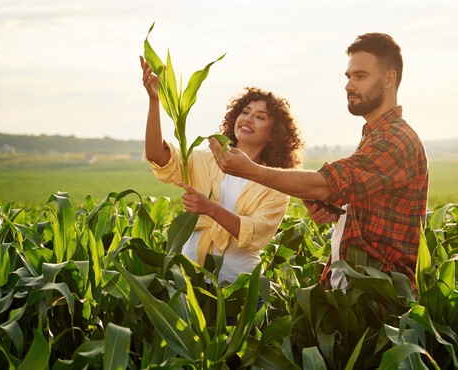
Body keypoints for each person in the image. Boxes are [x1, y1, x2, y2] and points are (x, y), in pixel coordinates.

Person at [209, 33, 429, 290]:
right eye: (348, 77)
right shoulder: (374, 136)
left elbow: (328, 183)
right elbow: (371, 212)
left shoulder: (395, 140)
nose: (349, 85)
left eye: (360, 76)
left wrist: (250, 170)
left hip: (379, 302)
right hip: (353, 296)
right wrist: (335, 212)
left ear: (389, 78)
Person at [139, 56, 304, 286]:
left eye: (260, 117)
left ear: (273, 134)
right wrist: (155, 100)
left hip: (239, 291)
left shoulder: (275, 184)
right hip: (191, 284)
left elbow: (254, 235)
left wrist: (210, 209)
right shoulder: (206, 160)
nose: (248, 119)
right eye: (245, 112)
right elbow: (158, 156)